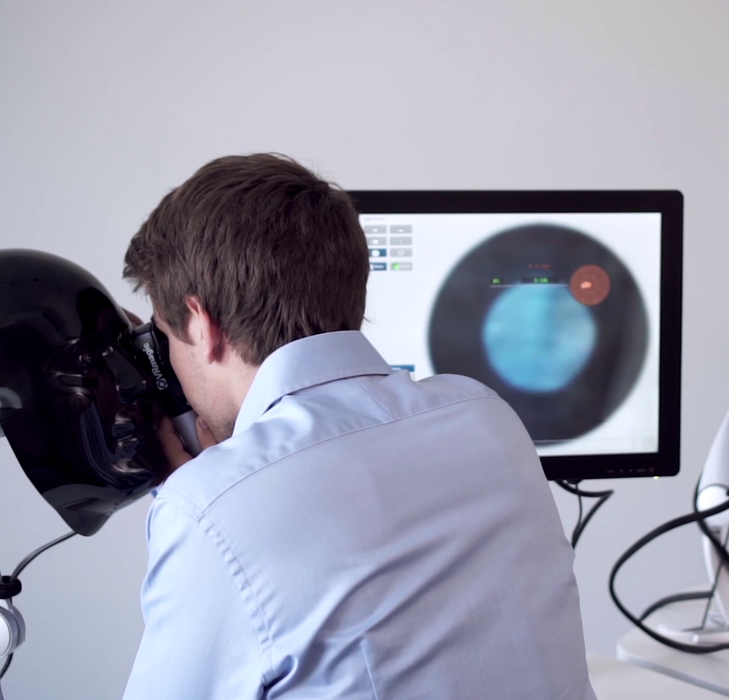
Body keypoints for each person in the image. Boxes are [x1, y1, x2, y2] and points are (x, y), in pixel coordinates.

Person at [119, 153, 596, 699]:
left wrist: (215, 494)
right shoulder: (488, 416)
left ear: (202, 325)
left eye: (166, 337)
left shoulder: (206, 509)